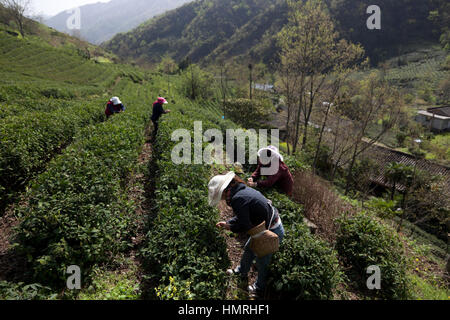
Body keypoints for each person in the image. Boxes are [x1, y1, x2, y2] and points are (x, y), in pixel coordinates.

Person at [209, 172, 285, 299]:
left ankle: (259, 288)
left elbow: (245, 225)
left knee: (262, 260)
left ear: (224, 191)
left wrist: (230, 226)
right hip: (265, 225)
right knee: (249, 249)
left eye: (220, 196)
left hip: (271, 231)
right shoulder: (241, 191)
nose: (221, 199)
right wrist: (228, 223)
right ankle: (241, 271)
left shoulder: (237, 198)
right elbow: (244, 216)